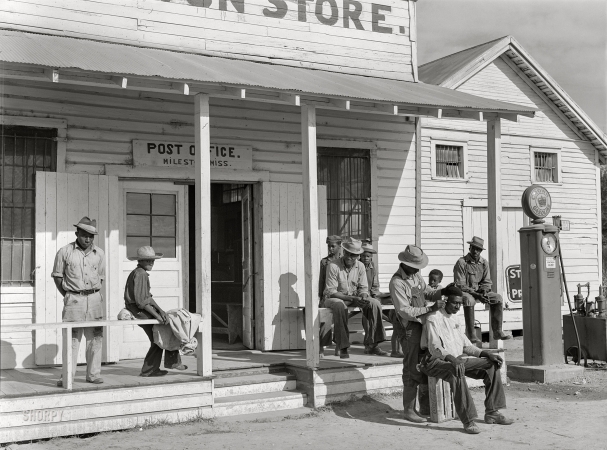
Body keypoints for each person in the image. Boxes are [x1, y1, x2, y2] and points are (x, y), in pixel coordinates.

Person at [420, 291, 513, 434]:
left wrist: (486, 353)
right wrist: (452, 359)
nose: (458, 306)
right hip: (433, 362)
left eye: (460, 303)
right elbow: (434, 347)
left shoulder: (455, 318)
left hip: (456, 360)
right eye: (454, 303)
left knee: (492, 365)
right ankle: (468, 421)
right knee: (456, 370)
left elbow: (466, 345)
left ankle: (492, 412)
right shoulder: (433, 318)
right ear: (445, 301)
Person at [389, 245, 455, 423]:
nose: (418, 269)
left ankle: (426, 406)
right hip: (409, 328)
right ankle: (408, 410)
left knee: (424, 364)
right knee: (411, 367)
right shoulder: (397, 282)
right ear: (405, 263)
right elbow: (404, 310)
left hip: (423, 324)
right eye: (415, 266)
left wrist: (444, 291)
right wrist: (430, 308)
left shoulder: (416, 275)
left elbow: (428, 292)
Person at [52, 217, 105, 386]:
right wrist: (69, 295)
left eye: (91, 236)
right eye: (84, 235)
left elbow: (101, 278)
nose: (87, 239)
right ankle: (68, 376)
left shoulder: (100, 253)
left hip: (95, 300)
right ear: (77, 234)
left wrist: (92, 293)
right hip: (74, 300)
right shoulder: (65, 251)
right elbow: (58, 277)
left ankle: (94, 375)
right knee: (72, 339)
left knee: (96, 338)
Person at [124, 246, 187, 377]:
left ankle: (164, 365)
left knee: (164, 329)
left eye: (152, 260)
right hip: (138, 311)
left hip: (141, 309)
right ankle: (152, 369)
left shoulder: (140, 273)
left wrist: (161, 311)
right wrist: (157, 315)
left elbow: (148, 297)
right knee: (159, 336)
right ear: (140, 261)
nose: (151, 263)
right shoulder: (140, 274)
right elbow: (141, 302)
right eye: (147, 261)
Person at [323, 237, 387, 358]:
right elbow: (331, 292)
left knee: (374, 303)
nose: (349, 257)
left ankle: (373, 344)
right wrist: (353, 299)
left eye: (353, 255)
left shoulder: (361, 266)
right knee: (339, 305)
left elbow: (363, 288)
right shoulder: (333, 266)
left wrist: (363, 296)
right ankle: (343, 346)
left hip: (354, 297)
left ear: (358, 255)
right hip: (336, 298)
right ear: (343, 252)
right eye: (347, 253)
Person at [454, 236, 512, 343]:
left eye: (478, 249)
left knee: (497, 298)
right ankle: (471, 334)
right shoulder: (462, 262)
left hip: (479, 292)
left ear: (481, 250)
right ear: (469, 248)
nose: (476, 251)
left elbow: (487, 281)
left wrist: (484, 291)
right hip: (465, 292)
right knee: (469, 300)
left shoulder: (484, 263)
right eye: (474, 248)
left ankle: (497, 331)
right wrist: (476, 295)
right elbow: (460, 284)